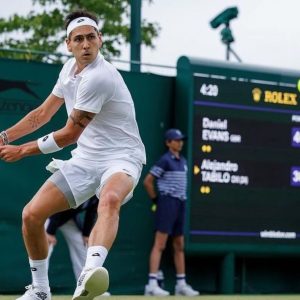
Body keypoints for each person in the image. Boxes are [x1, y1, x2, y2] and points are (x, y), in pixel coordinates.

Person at [0, 9, 145, 300]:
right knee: (31, 215)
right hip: (85, 159)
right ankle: (40, 290)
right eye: (78, 39)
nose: (85, 44)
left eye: (91, 37)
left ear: (100, 39)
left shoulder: (99, 78)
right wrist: (3, 136)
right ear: (69, 45)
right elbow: (41, 114)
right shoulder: (68, 70)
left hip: (122, 157)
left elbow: (68, 135)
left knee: (111, 198)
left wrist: (22, 150)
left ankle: (90, 275)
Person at [143, 128, 199, 297]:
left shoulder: (183, 161)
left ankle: (181, 284)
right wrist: (156, 200)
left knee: (179, 245)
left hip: (180, 203)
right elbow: (148, 181)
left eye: (181, 140)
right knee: (160, 244)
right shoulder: (164, 160)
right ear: (168, 143)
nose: (180, 142)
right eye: (176, 140)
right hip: (167, 202)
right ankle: (151, 285)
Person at [46, 196, 110, 296]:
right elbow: (57, 207)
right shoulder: (80, 186)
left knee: (82, 246)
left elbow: (91, 212)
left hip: (69, 219)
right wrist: (50, 232)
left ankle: (87, 287)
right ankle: (40, 288)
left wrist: (86, 234)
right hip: (50, 216)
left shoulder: (97, 194)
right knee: (45, 248)